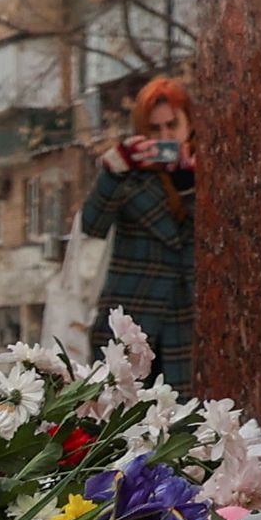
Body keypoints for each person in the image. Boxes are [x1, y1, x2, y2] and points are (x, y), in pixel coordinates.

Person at [80, 74, 198, 392]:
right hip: (133, 313)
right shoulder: (126, 174)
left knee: (185, 423)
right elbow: (91, 225)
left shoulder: (209, 171)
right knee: (122, 419)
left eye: (172, 125)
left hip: (187, 318)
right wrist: (112, 174)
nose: (165, 137)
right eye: (154, 130)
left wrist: (190, 185)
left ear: (190, 123)